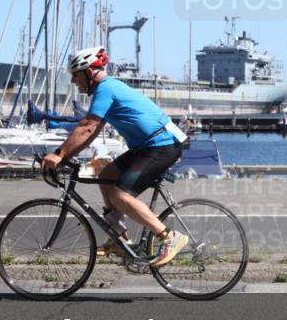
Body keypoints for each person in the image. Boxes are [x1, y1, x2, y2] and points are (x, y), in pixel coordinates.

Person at [40, 46, 189, 267]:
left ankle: (169, 237)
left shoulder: (105, 89)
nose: (73, 81)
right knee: (107, 175)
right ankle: (120, 238)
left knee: (120, 195)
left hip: (160, 145)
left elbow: (88, 127)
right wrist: (65, 155)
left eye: (75, 75)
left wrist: (59, 154)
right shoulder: (106, 90)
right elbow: (91, 132)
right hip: (147, 146)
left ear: (89, 72)